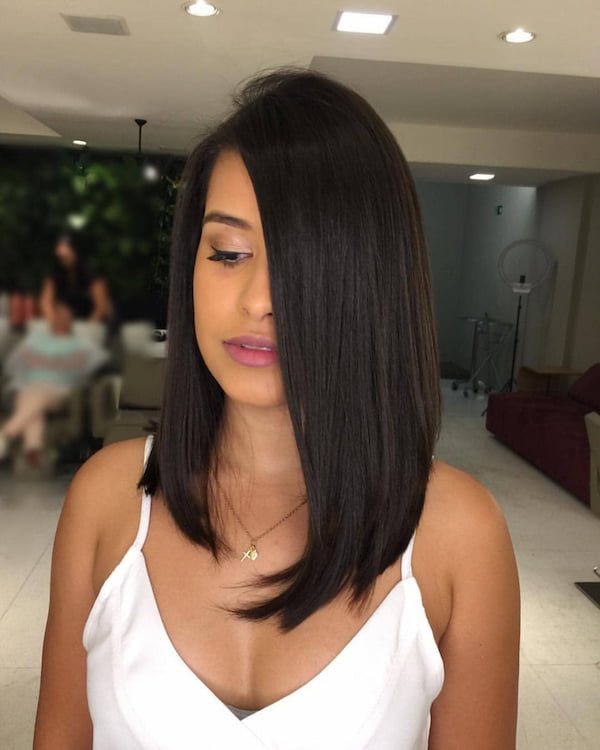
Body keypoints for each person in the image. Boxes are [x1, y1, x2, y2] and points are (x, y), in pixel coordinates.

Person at [33, 67, 520, 749]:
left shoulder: (459, 535)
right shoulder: (106, 499)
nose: (260, 299)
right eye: (228, 253)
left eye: (301, 261)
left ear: (370, 284)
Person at [0, 297, 110, 468]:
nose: (60, 320)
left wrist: (57, 363)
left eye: (65, 317)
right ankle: (32, 451)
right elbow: (14, 363)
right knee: (33, 405)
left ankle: (5, 435)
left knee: (35, 397)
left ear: (70, 322)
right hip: (30, 386)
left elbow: (97, 363)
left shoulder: (79, 344)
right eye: (58, 316)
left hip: (59, 389)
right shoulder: (36, 340)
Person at [39, 231, 114, 325]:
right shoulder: (54, 274)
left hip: (92, 324)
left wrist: (86, 327)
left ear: (77, 252)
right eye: (61, 257)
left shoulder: (93, 275)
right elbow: (46, 302)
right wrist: (54, 323)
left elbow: (101, 308)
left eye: (67, 255)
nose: (63, 259)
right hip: (65, 324)